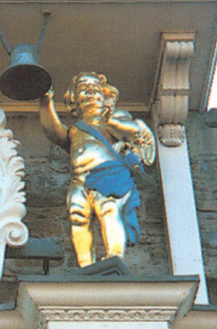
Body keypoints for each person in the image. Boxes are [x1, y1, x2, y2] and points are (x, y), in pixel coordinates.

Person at [39, 72, 155, 267]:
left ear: (105, 95)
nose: (91, 92)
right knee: (78, 218)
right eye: (84, 89)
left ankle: (115, 256)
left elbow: (133, 131)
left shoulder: (116, 117)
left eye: (95, 88)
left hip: (108, 174)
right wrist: (46, 103)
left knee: (108, 209)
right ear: (74, 99)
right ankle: (86, 265)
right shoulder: (76, 129)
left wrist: (109, 119)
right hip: (79, 180)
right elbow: (54, 131)